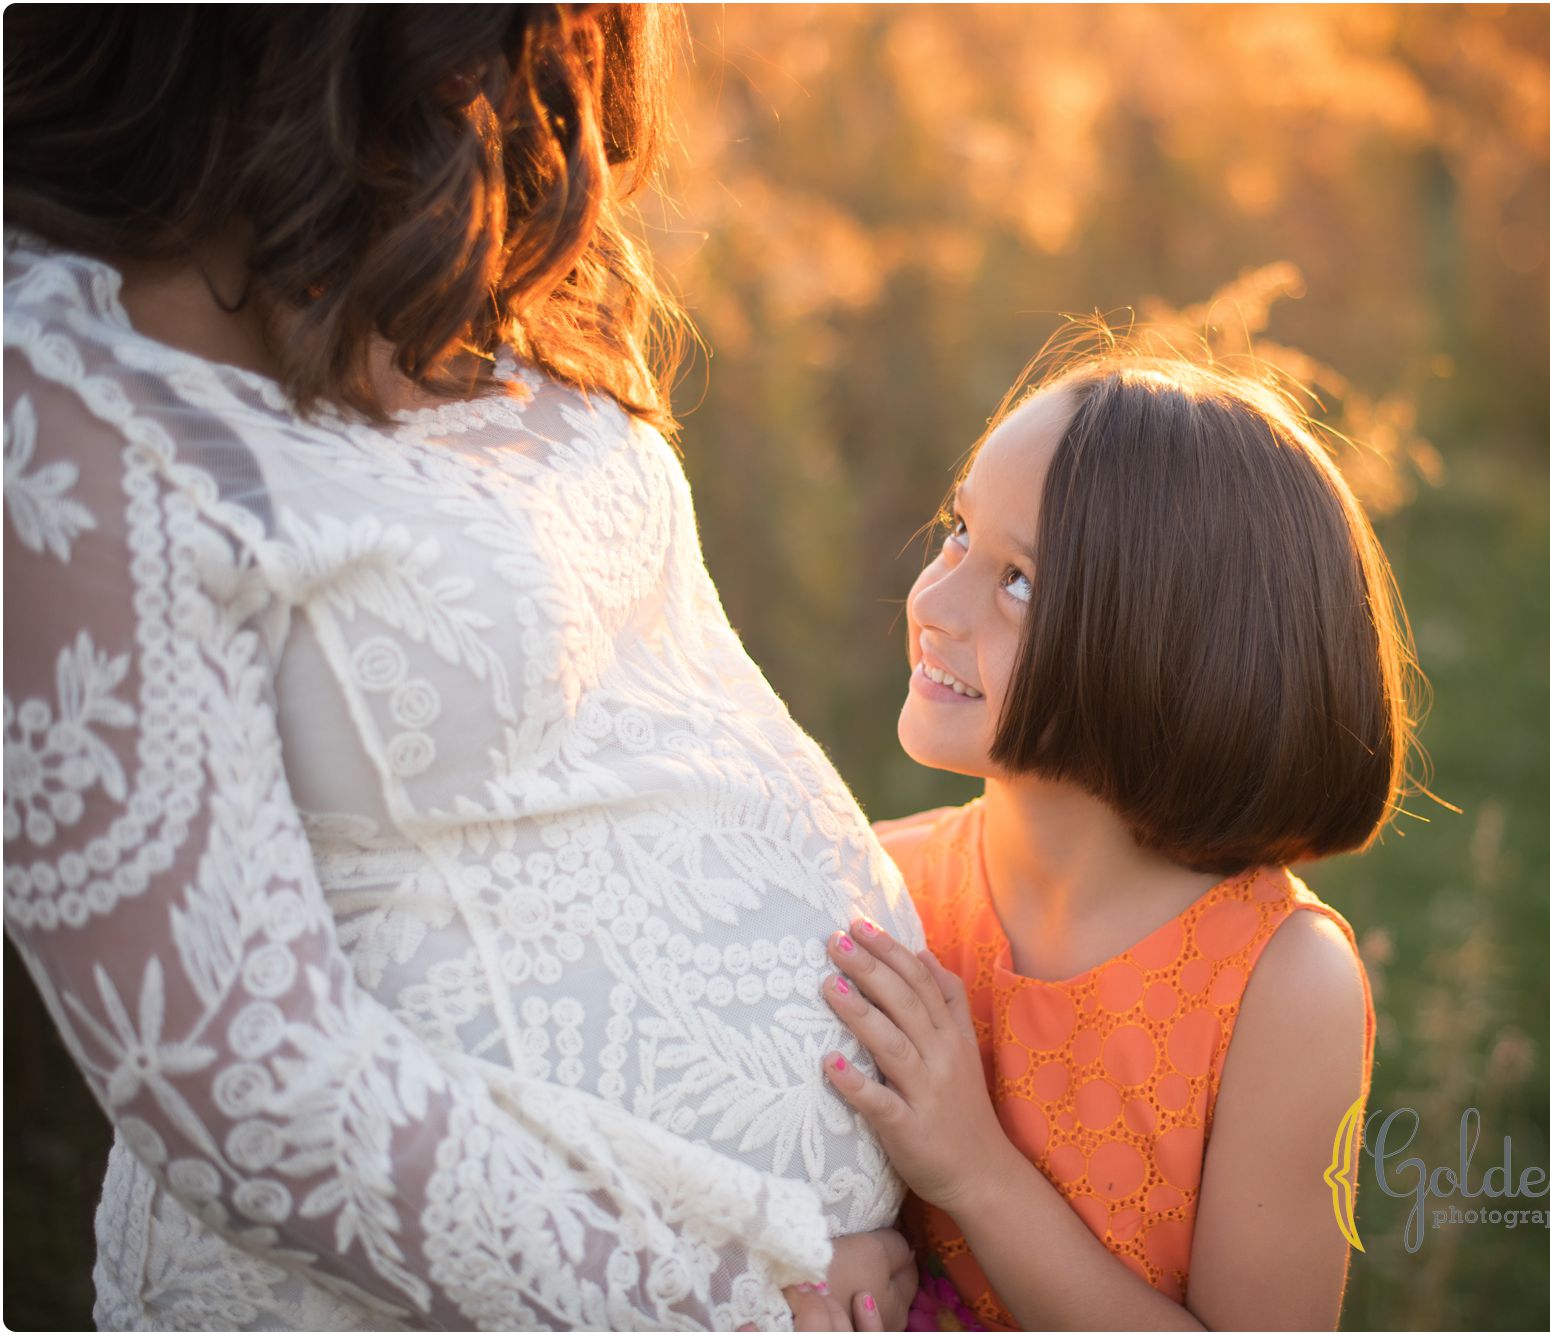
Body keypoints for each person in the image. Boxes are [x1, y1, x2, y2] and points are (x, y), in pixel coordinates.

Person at [3, 6, 918, 1330]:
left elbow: (647, 725)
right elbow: (236, 1079)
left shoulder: (438, 221)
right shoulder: (67, 394)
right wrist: (727, 1300)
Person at [810, 338, 1424, 1329]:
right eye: (957, 534)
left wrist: (972, 1169)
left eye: (1017, 581)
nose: (931, 601)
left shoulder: (1279, 986)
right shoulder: (877, 888)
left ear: (1171, 645)